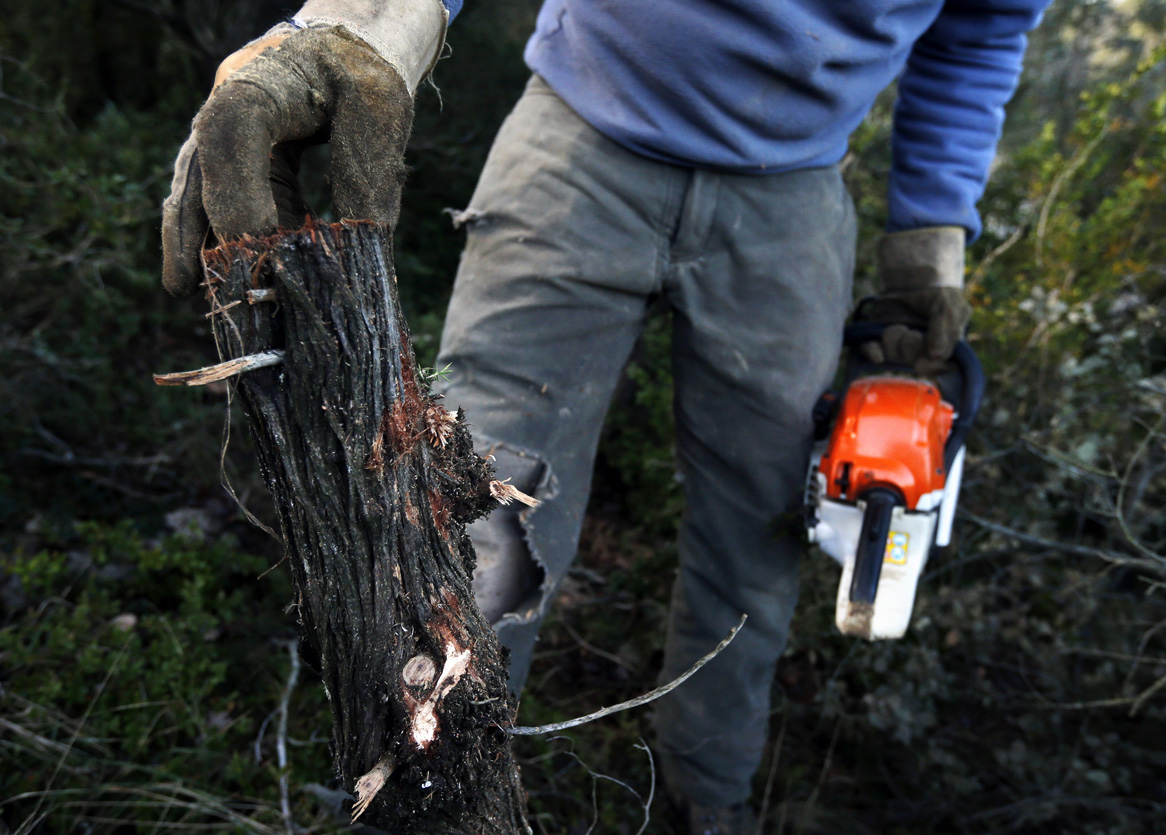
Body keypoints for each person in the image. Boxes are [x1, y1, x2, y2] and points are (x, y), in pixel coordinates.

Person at [162, 2, 1051, 832]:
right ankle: (434, 799)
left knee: (758, 546)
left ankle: (707, 808)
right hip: (579, 141)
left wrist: (929, 243)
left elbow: (979, 31)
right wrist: (363, 24)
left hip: (795, 198)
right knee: (476, 509)